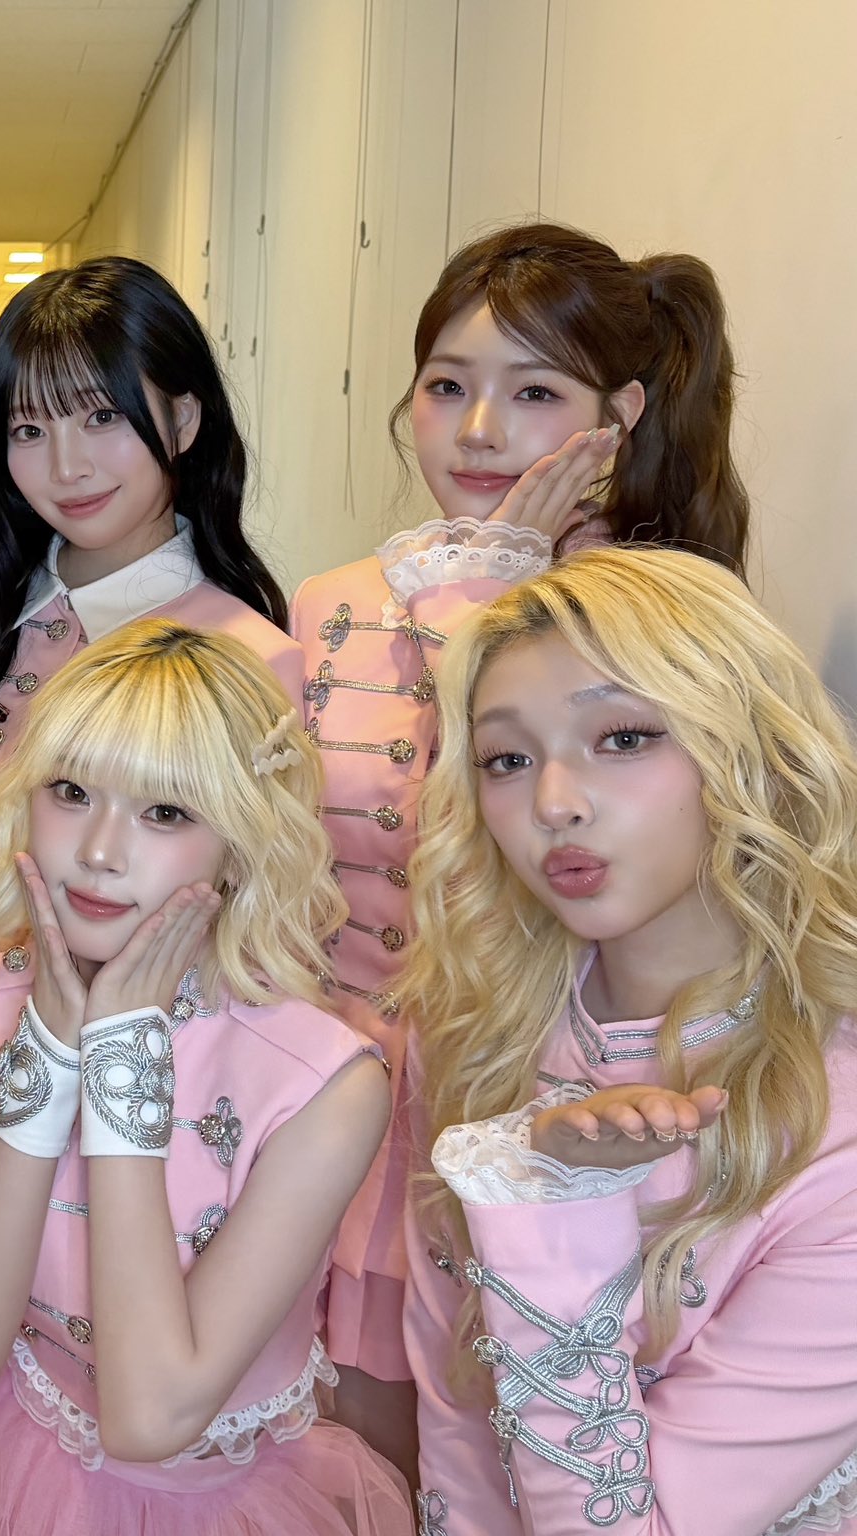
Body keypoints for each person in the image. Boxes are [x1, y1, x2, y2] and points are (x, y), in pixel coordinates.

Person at [286, 224, 751, 1447]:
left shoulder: (655, 618)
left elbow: (509, 849)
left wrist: (487, 589)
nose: (479, 431)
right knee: (333, 1456)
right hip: (323, 1094)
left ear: (618, 415)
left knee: (500, 1454)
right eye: (446, 386)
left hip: (533, 1103)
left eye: (533, 393)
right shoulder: (332, 605)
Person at [0, 618, 407, 1534]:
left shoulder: (323, 1083)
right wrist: (49, 1049)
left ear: (242, 841)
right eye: (73, 791)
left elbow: (150, 1417)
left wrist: (123, 1057)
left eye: (166, 813)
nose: (100, 850)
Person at [403, 548, 857, 1533]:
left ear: (747, 749)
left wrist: (554, 1201)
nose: (553, 802)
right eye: (506, 759)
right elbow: (454, 1435)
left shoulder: (838, 1132)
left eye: (621, 737)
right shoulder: (475, 1035)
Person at [0, 255, 299, 1194]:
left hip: (133, 1088)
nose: (66, 466)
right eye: (28, 429)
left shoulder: (248, 657)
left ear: (184, 420)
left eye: (101, 417)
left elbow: (257, 927)